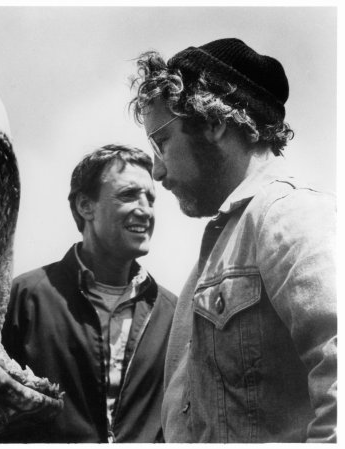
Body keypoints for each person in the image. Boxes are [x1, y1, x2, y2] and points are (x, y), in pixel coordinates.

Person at [129, 38, 336, 443]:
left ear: (214, 122)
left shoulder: (285, 214)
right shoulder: (222, 244)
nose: (155, 170)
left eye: (161, 143)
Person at [1, 144, 176, 443]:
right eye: (128, 195)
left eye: (150, 198)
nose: (145, 209)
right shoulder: (24, 297)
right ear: (85, 205)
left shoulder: (173, 311)